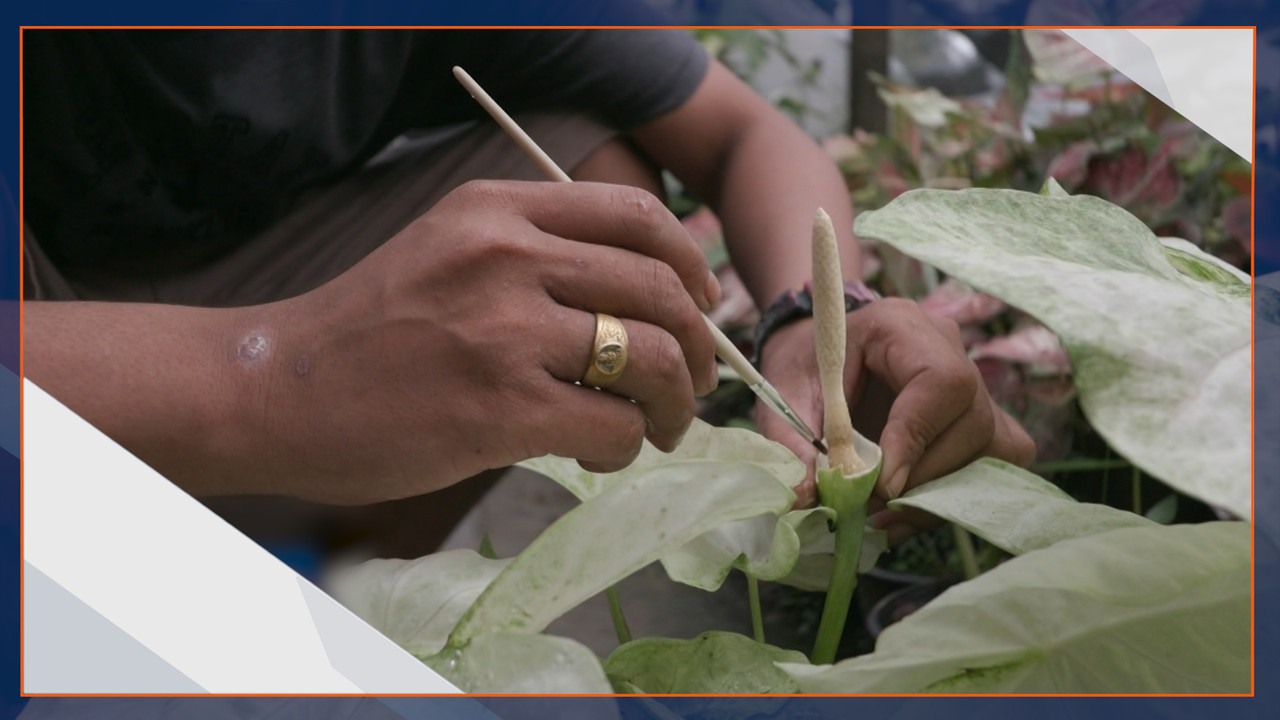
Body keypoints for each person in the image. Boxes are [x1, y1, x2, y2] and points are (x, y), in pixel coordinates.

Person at [22, 28, 1034, 548]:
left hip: (233, 263)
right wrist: (278, 372)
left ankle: (339, 577)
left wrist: (812, 321)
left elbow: (742, 133)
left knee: (594, 194)